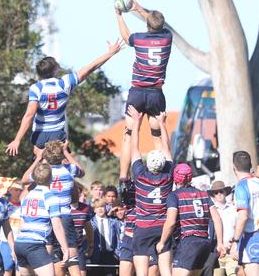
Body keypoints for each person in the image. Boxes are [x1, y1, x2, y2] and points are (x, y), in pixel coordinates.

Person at [5, 39, 124, 156]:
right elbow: (90, 68)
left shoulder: (36, 88)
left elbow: (29, 115)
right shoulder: (64, 83)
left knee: (41, 170)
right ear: (55, 70)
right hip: (57, 135)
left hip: (40, 136)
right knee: (62, 168)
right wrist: (110, 53)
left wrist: (17, 140)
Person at [115, 0, 172, 181]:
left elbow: (126, 37)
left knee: (129, 135)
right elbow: (154, 22)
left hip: (138, 92)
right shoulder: (167, 38)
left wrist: (119, 16)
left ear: (147, 24)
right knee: (157, 136)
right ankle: (163, 176)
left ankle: (124, 179)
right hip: (156, 94)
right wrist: (139, 9)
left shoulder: (139, 39)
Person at [21, 140, 84, 276]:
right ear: (61, 155)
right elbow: (82, 171)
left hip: (49, 218)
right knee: (72, 261)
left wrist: (38, 157)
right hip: (65, 217)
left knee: (52, 261)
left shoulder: (43, 171)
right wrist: (66, 152)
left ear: (46, 155)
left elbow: (24, 179)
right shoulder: (69, 169)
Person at [127, 106, 173, 276]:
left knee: (141, 272)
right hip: (162, 227)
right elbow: (167, 148)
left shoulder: (140, 175)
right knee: (167, 271)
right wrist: (162, 124)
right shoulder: (168, 177)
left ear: (147, 164)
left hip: (143, 227)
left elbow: (134, 147)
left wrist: (137, 123)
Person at [156, 164, 225, 276]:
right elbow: (217, 218)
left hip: (188, 243)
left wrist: (162, 242)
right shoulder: (203, 194)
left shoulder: (174, 196)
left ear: (175, 178)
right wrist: (220, 243)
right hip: (204, 244)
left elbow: (171, 222)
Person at [14, 163, 69, 276]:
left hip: (20, 243)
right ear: (51, 178)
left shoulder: (26, 197)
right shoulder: (51, 198)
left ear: (33, 178)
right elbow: (57, 225)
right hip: (34, 245)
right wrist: (65, 248)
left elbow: (22, 223)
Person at [230, 151, 259, 276]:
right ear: (251, 165)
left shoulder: (241, 186)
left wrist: (235, 241)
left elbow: (243, 217)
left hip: (252, 236)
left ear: (234, 168)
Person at [207, 180, 236, 276]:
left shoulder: (233, 209)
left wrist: (233, 244)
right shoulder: (210, 211)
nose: (219, 194)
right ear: (213, 195)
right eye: (216, 192)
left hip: (231, 250)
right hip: (216, 252)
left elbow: (237, 228)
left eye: (221, 191)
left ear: (225, 192)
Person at [90, 198, 120, 275]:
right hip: (95, 255)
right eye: (97, 207)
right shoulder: (90, 223)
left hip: (110, 255)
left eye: (102, 207)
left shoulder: (113, 222)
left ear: (106, 208)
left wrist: (117, 253)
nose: (100, 209)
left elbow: (118, 238)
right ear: (94, 210)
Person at [70, 182, 93, 276]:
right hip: (61, 249)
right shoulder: (61, 207)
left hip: (79, 248)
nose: (74, 194)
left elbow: (88, 228)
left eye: (77, 192)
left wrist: (91, 245)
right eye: (72, 191)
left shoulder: (86, 208)